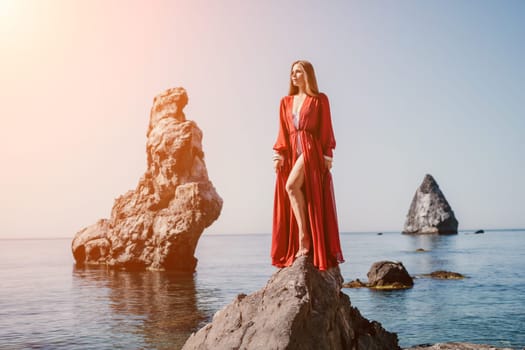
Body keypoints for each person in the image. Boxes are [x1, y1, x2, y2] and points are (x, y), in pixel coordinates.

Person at [271, 60, 345, 271]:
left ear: (308, 75)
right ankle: (302, 239)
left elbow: (326, 128)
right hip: (293, 150)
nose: (294, 76)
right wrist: (279, 154)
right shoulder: (285, 101)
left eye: (298, 72)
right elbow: (283, 132)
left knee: (291, 187)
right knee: (297, 192)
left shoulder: (319, 100)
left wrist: (327, 155)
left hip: (311, 149)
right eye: (292, 72)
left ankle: (305, 238)